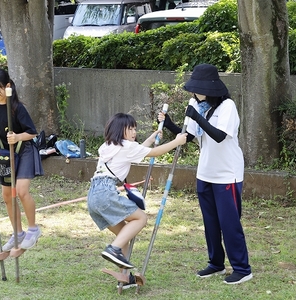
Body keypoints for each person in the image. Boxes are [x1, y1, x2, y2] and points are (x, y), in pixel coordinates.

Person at [158, 63, 253, 285]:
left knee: (229, 223)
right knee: (210, 223)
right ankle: (216, 263)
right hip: (205, 173)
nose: (193, 93)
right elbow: (188, 136)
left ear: (210, 89)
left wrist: (197, 117)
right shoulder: (196, 104)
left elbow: (219, 135)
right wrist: (169, 122)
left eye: (197, 90)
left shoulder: (227, 106)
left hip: (227, 174)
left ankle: (242, 268)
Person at [87, 112, 187, 288]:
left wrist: (151, 137)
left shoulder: (109, 145)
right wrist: (176, 142)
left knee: (124, 233)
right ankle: (113, 249)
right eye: (130, 128)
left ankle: (124, 278)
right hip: (106, 192)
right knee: (141, 218)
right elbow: (153, 152)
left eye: (135, 128)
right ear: (120, 130)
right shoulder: (127, 147)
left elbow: (138, 150)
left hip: (94, 196)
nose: (134, 132)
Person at [0, 68, 44, 251]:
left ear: (7, 86)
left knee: (22, 192)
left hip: (24, 151)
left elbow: (32, 133)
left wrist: (17, 137)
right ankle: (18, 233)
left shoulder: (16, 107)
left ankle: (33, 229)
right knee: (7, 196)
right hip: (5, 155)